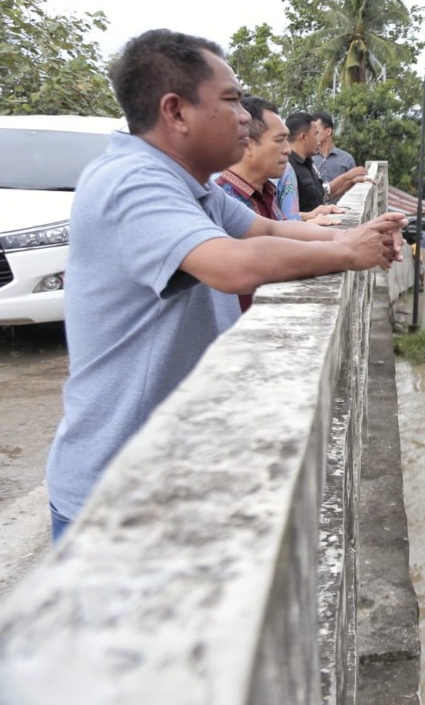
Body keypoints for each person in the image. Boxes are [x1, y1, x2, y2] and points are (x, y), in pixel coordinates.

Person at [44, 29, 405, 542]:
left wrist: (353, 235)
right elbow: (230, 265)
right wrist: (347, 253)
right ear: (176, 111)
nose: (244, 117)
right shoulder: (133, 181)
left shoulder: (190, 184)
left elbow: (269, 228)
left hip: (171, 472)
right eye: (232, 100)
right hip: (117, 492)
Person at [214, 96, 289, 311]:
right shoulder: (222, 199)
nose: (287, 149)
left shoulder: (267, 192)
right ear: (247, 143)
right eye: (279, 140)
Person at [310, 111, 357, 183]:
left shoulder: (347, 159)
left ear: (328, 131)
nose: (313, 135)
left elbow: (354, 186)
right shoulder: (309, 159)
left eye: (317, 132)